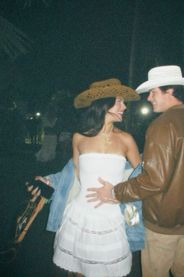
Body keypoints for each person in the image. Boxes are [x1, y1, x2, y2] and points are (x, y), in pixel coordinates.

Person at [86, 65, 184, 277]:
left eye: (153, 92)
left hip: (166, 221)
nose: (149, 98)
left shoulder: (162, 125)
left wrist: (114, 192)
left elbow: (153, 180)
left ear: (170, 91)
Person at [35, 78, 142, 277]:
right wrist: (50, 181)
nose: (124, 107)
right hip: (80, 215)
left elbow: (142, 178)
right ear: (104, 104)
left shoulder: (126, 139)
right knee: (77, 270)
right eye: (119, 101)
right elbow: (73, 173)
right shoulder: (79, 137)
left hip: (114, 217)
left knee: (109, 271)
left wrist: (118, 193)